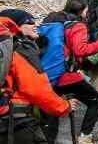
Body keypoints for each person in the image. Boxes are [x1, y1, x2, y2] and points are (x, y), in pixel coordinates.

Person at [40, 0, 98, 144]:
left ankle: (48, 140)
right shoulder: (78, 25)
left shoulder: (55, 22)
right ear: (82, 10)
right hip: (64, 75)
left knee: (52, 112)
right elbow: (80, 50)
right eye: (86, 10)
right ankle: (84, 137)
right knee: (95, 99)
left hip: (47, 74)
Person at [0, 10, 78, 144]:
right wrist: (65, 106)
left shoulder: (6, 48)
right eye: (29, 22)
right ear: (16, 26)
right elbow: (37, 90)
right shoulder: (22, 49)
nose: (35, 25)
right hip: (16, 122)